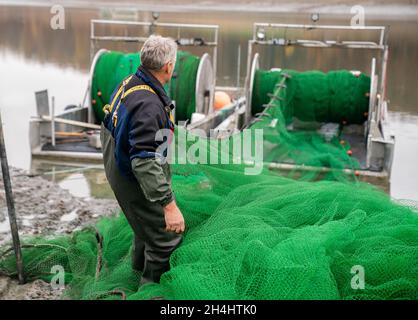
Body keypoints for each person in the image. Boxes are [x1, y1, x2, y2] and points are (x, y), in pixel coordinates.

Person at [100, 35, 185, 285]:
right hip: (129, 170)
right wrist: (169, 206)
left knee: (144, 226)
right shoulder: (149, 105)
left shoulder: (131, 81)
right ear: (168, 66)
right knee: (164, 238)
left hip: (115, 160)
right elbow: (144, 162)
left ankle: (137, 272)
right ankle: (151, 290)